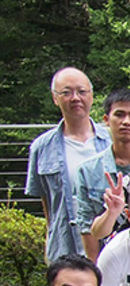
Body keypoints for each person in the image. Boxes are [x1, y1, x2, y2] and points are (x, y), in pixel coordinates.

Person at [27, 67, 111, 261]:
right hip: (64, 246)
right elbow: (46, 202)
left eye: (82, 92)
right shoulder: (41, 147)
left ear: (91, 96)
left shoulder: (112, 142)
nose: (75, 98)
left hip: (108, 246)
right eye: (66, 92)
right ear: (55, 98)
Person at [74, 89, 130, 261]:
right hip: (109, 260)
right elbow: (87, 228)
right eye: (119, 115)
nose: (126, 122)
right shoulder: (88, 171)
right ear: (106, 120)